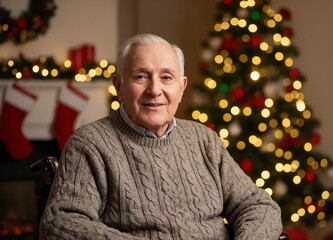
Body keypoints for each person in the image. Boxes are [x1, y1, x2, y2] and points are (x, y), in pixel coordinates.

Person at [39, 33, 283, 239]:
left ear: (181, 86)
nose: (155, 90)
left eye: (166, 77)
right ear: (119, 86)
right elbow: (60, 223)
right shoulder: (89, 144)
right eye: (140, 76)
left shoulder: (203, 140)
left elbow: (259, 206)